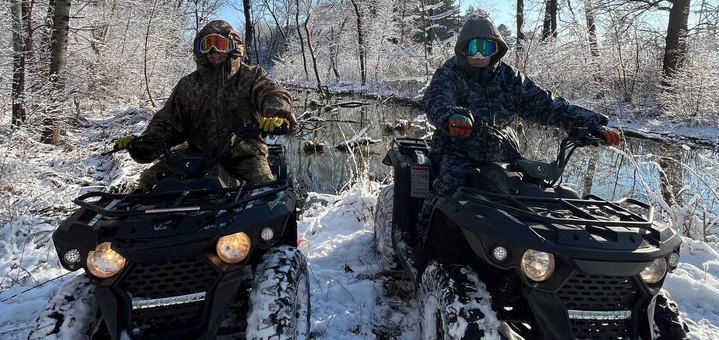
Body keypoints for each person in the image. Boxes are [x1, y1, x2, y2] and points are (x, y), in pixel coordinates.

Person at [417, 17, 621, 235]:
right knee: (446, 189)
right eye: (472, 47)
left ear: (496, 49)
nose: (479, 55)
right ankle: (421, 241)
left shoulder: (509, 77)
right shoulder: (449, 73)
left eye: (485, 47)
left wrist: (589, 123)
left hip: (504, 155)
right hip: (458, 152)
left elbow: (546, 104)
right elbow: (436, 100)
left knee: (534, 196)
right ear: (462, 49)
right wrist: (452, 116)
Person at [115, 20, 296, 190]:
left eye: (221, 45)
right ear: (199, 50)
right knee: (149, 181)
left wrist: (278, 116)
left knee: (266, 191)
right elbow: (168, 121)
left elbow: (273, 93)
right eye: (207, 46)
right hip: (197, 155)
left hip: (244, 154)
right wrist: (148, 142)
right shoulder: (188, 84)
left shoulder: (251, 76)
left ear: (233, 47)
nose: (214, 52)